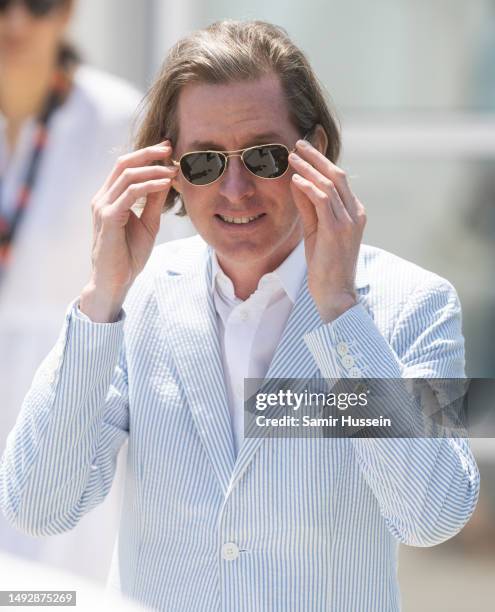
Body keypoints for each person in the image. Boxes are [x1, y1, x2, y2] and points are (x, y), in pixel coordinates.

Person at [0, 19, 480, 611]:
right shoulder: (137, 302)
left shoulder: (414, 303)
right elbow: (41, 507)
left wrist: (340, 313)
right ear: (168, 170)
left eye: (264, 156)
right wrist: (101, 299)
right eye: (203, 162)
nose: (234, 189)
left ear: (317, 153)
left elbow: (432, 515)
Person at [0, 0, 176, 581]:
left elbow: (159, 264)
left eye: (38, 4)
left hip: (74, 376)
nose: (16, 23)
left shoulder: (118, 115)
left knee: (62, 581)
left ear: (68, 12)